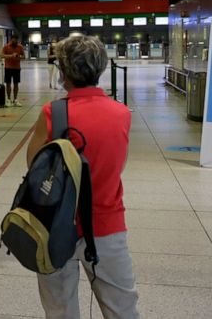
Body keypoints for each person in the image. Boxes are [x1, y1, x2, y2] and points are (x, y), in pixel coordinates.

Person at [25, 36, 139, 319]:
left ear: (63, 72)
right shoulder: (121, 113)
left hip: (55, 225)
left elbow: (33, 165)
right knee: (121, 308)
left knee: (60, 308)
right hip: (106, 225)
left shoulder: (53, 113)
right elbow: (118, 166)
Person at [1, 33, 26, 106]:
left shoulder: (20, 47)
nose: (15, 41)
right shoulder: (6, 47)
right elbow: (2, 55)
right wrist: (11, 56)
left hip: (17, 68)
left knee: (16, 84)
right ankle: (8, 99)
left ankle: (15, 99)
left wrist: (18, 56)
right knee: (8, 84)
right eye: (13, 39)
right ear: (11, 39)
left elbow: (24, 57)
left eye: (16, 40)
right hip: (8, 68)